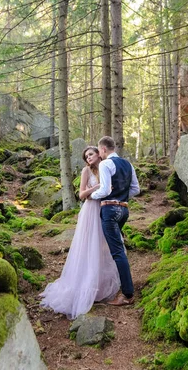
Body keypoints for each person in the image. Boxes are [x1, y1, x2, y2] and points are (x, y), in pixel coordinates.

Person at [39, 146, 121, 319]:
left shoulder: (106, 167)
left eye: (91, 154)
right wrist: (97, 187)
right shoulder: (86, 171)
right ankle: (85, 284)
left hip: (105, 209)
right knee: (89, 245)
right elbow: (82, 194)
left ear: (99, 153)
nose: (88, 158)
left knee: (104, 246)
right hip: (90, 211)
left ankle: (101, 284)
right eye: (86, 156)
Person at [91, 136, 140, 306]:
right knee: (115, 248)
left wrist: (92, 195)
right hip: (124, 210)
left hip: (110, 210)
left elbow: (104, 189)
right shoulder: (128, 164)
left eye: (100, 151)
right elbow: (136, 189)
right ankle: (113, 283)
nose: (100, 155)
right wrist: (121, 196)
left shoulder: (105, 164)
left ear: (103, 149)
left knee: (117, 251)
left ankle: (127, 294)